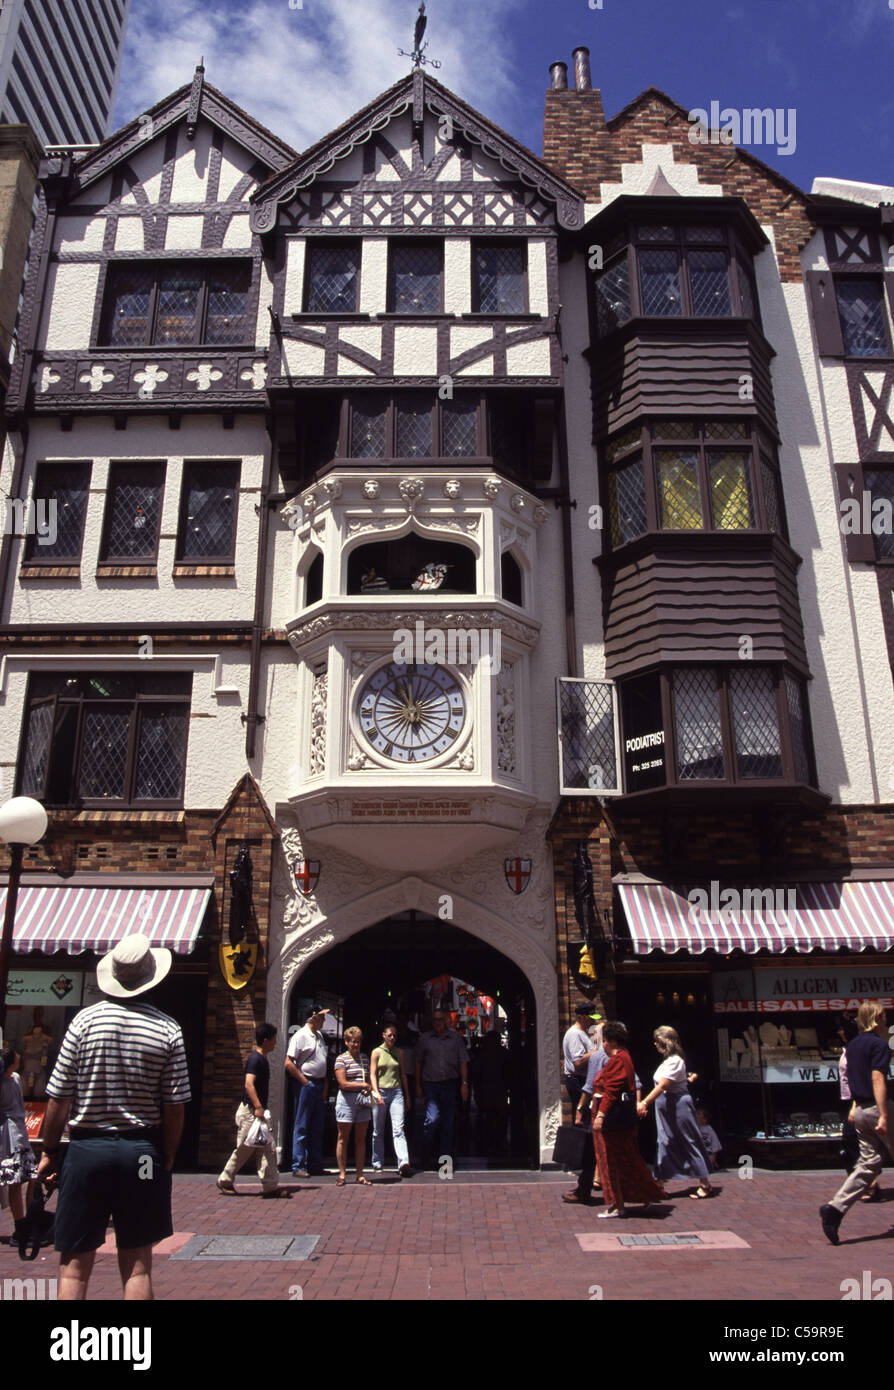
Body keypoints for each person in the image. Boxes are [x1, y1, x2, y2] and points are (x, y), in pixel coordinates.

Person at [36, 933, 190, 1301]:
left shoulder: (84, 1022)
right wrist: (166, 1154)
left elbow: (58, 1098)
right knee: (137, 1261)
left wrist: (50, 1149)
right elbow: (175, 1105)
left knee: (73, 1265)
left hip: (86, 1152)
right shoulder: (168, 1029)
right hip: (142, 1153)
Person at [820, 1001, 893, 1245]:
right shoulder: (879, 1045)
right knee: (869, 1163)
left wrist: (854, 1107)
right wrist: (883, 1115)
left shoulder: (852, 1047)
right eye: (883, 1017)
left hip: (860, 1111)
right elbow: (877, 1078)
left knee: (868, 1164)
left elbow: (852, 1079)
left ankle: (834, 1209)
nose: (886, 1021)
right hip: (876, 1109)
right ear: (876, 1019)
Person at [590, 1021, 667, 1219]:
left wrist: (600, 1115)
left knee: (613, 1160)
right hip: (620, 1119)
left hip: (614, 1121)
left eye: (605, 1041)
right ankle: (642, 1194)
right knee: (628, 1158)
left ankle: (618, 1204)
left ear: (613, 1041)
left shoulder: (618, 1060)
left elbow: (612, 1090)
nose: (603, 1045)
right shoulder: (625, 1058)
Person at [638, 1026, 713, 1199]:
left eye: (657, 1041)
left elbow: (664, 1084)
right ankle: (659, 1181)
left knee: (689, 1139)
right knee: (664, 1141)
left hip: (678, 1104)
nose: (655, 1044)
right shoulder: (667, 1061)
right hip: (665, 1105)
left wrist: (644, 1102)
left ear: (665, 1042)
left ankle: (704, 1183)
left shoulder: (676, 1061)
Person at [218, 1022, 290, 1198]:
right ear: (265, 1041)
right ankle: (225, 1180)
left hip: (258, 1112)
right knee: (244, 1148)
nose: (275, 1043)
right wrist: (258, 1106)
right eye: (273, 1039)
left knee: (268, 1148)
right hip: (251, 1112)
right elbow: (248, 1084)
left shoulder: (262, 1059)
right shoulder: (255, 1059)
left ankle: (270, 1186)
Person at [415, 1009, 469, 1169]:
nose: (437, 1023)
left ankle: (444, 1161)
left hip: (450, 1085)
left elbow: (463, 1062)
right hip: (431, 1085)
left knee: (448, 1124)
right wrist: (417, 1085)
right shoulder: (425, 1039)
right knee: (432, 1120)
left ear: (446, 1021)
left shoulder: (455, 1039)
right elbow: (417, 1062)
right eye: (434, 1020)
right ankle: (426, 1153)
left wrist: (464, 1084)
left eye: (440, 1019)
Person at [1, 1046, 39, 1254]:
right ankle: (20, 1225)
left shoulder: (16, 1078)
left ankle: (30, 1219)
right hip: (7, 1133)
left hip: (20, 1129)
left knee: (31, 1176)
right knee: (14, 1180)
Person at [285, 1005, 329, 1177]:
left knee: (317, 1126)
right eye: (322, 1016)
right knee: (302, 1124)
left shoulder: (319, 1036)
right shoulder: (300, 1036)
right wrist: (304, 1082)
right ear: (314, 1017)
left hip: (318, 1084)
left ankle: (315, 1163)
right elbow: (289, 1063)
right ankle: (298, 1164)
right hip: (307, 1084)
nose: (324, 1020)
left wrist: (324, 1084)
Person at [370, 1024, 412, 1177]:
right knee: (377, 1130)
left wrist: (407, 1096)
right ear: (383, 1035)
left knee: (398, 1129)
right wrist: (375, 1092)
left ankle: (403, 1162)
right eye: (389, 1035)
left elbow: (403, 1075)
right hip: (379, 1091)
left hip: (396, 1093)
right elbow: (372, 1074)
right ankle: (377, 1162)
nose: (392, 1038)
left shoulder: (399, 1053)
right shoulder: (376, 1052)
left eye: (394, 1035)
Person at [334, 1027, 373, 1186]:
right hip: (347, 1101)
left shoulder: (364, 1058)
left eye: (357, 1041)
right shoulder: (341, 1059)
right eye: (352, 1042)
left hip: (362, 1101)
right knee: (343, 1138)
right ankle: (342, 1174)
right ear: (346, 1042)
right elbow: (342, 1083)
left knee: (360, 1139)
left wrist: (369, 1087)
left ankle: (360, 1174)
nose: (355, 1045)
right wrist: (361, 1085)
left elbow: (369, 1078)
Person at [562, 1002, 602, 1123]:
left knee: (587, 1115)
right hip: (577, 1080)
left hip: (581, 1079)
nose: (593, 1021)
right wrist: (596, 1050)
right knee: (584, 1117)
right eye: (591, 1018)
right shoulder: (575, 1034)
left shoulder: (582, 1033)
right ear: (582, 1017)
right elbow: (578, 1062)